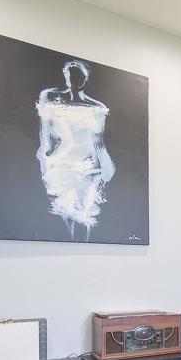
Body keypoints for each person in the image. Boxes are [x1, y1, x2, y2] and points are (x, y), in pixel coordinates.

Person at [35, 60, 115, 240]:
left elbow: (99, 142)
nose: (74, 79)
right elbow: (45, 137)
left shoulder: (97, 108)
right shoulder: (51, 101)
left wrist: (107, 165)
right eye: (71, 75)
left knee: (84, 214)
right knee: (66, 212)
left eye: (78, 76)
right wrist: (45, 162)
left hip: (89, 168)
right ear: (66, 77)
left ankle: (83, 249)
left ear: (85, 80)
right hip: (63, 166)